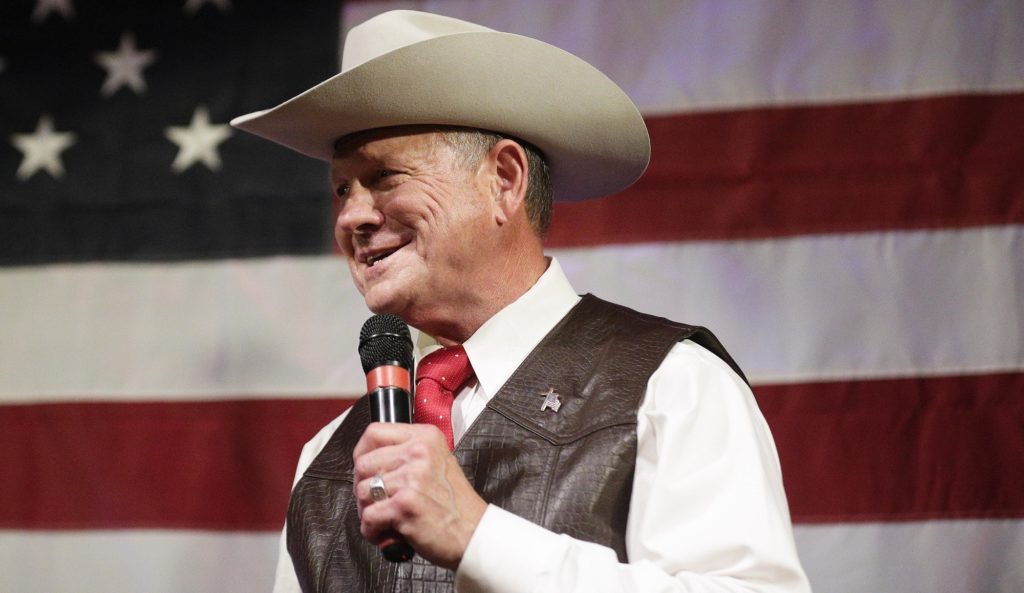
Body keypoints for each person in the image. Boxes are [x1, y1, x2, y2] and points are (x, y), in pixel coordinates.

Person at [231, 9, 811, 593]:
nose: (351, 216)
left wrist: (480, 537)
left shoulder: (671, 386)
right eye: (341, 189)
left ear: (503, 180)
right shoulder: (325, 462)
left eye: (384, 177)